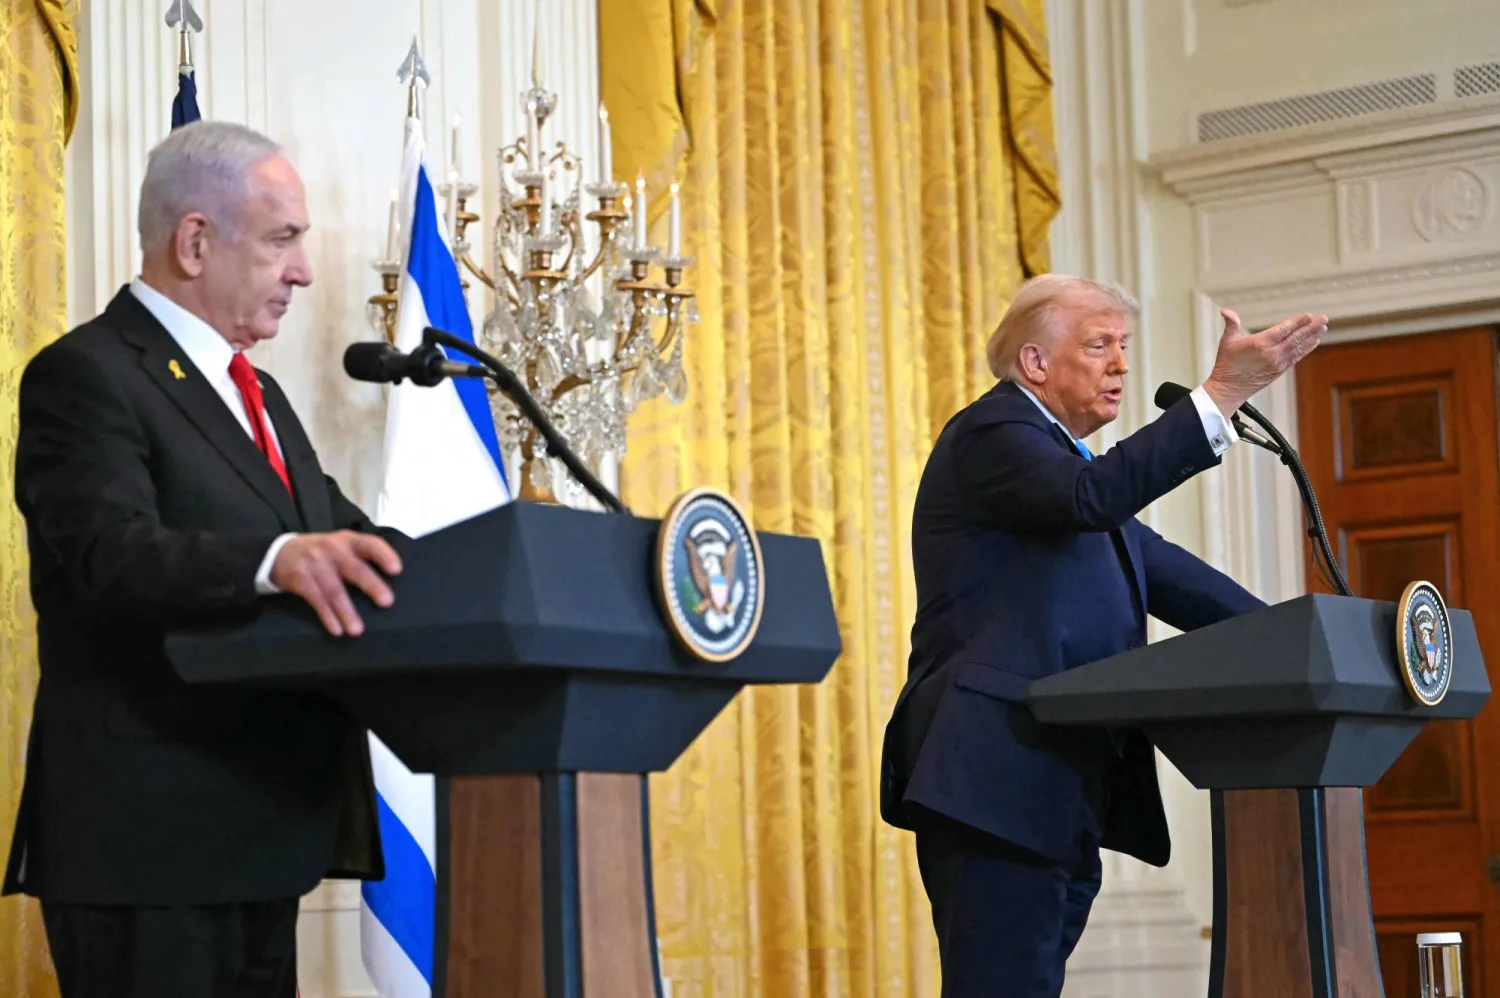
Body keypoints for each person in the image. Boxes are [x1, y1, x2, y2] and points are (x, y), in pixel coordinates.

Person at [2, 121, 404, 998]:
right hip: (147, 847)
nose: (302, 270)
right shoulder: (87, 375)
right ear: (195, 241)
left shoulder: (255, 395)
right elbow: (106, 557)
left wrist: (504, 556)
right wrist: (277, 560)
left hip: (260, 835)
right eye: (282, 239)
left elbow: (349, 539)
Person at [879, 274, 1327, 997]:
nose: (1122, 363)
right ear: (1034, 363)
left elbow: (1172, 576)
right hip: (995, 774)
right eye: (1099, 345)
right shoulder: (995, 434)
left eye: (1123, 346)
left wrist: (1308, 640)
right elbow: (1094, 499)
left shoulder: (1065, 470)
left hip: (1057, 779)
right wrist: (1219, 396)